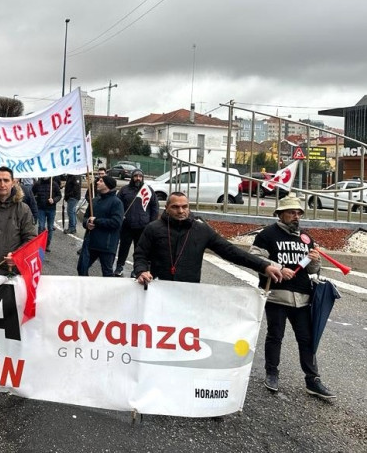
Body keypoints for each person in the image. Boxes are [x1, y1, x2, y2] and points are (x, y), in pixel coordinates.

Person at [250, 194, 334, 399]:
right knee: (275, 335)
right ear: (280, 214)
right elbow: (254, 257)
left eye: (298, 212)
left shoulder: (305, 237)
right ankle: (272, 373)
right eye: (291, 212)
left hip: (303, 297)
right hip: (277, 295)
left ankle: (312, 380)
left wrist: (315, 260)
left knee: (307, 339)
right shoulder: (267, 235)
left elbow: (312, 269)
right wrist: (279, 268)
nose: (296, 216)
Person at [133, 192, 282, 285]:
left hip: (189, 293)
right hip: (158, 289)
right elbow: (141, 254)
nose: (181, 211)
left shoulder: (201, 230)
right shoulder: (153, 228)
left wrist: (263, 266)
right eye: (175, 207)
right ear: (167, 208)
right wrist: (141, 271)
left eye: (185, 206)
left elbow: (230, 251)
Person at [114, 169, 159, 277]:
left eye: (140, 176)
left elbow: (155, 207)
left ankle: (136, 270)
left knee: (140, 251)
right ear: (132, 177)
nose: (138, 178)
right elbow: (117, 205)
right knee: (123, 248)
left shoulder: (148, 190)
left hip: (143, 227)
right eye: (135, 176)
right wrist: (120, 217)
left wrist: (151, 224)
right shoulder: (124, 190)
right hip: (127, 226)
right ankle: (119, 267)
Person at [77, 176, 123, 277]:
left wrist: (97, 221)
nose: (97, 182)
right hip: (91, 243)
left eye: (101, 181)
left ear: (108, 185)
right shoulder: (94, 201)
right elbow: (85, 217)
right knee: (81, 268)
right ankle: (87, 289)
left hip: (106, 245)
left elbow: (116, 222)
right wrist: (87, 224)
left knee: (107, 274)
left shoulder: (116, 202)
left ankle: (108, 292)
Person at [32, 177, 62, 252]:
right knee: (41, 226)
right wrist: (36, 199)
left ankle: (47, 244)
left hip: (51, 209)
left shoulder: (54, 184)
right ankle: (40, 243)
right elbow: (32, 194)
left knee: (50, 227)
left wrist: (54, 200)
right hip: (41, 208)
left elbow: (59, 195)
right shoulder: (37, 184)